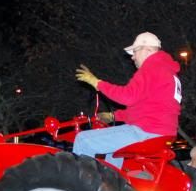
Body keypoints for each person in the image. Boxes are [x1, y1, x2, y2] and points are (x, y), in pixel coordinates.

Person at [73, 32, 182, 167]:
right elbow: (143, 108)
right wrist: (114, 116)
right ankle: (113, 185)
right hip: (163, 134)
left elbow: (127, 97)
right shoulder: (168, 72)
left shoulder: (151, 68)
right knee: (112, 151)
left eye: (135, 52)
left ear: (147, 50)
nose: (133, 57)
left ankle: (82, 187)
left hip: (147, 131)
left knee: (83, 140)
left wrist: (97, 83)